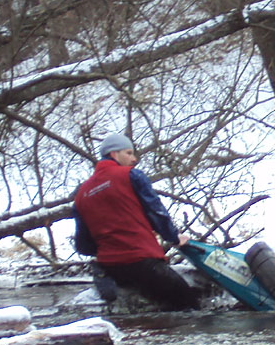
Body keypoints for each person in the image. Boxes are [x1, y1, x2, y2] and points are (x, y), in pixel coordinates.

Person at [73, 133, 200, 310]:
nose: (134, 159)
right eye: (129, 153)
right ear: (114, 154)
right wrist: (173, 237)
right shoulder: (132, 175)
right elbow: (156, 212)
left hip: (111, 268)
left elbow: (83, 245)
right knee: (189, 306)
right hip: (142, 262)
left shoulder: (81, 193)